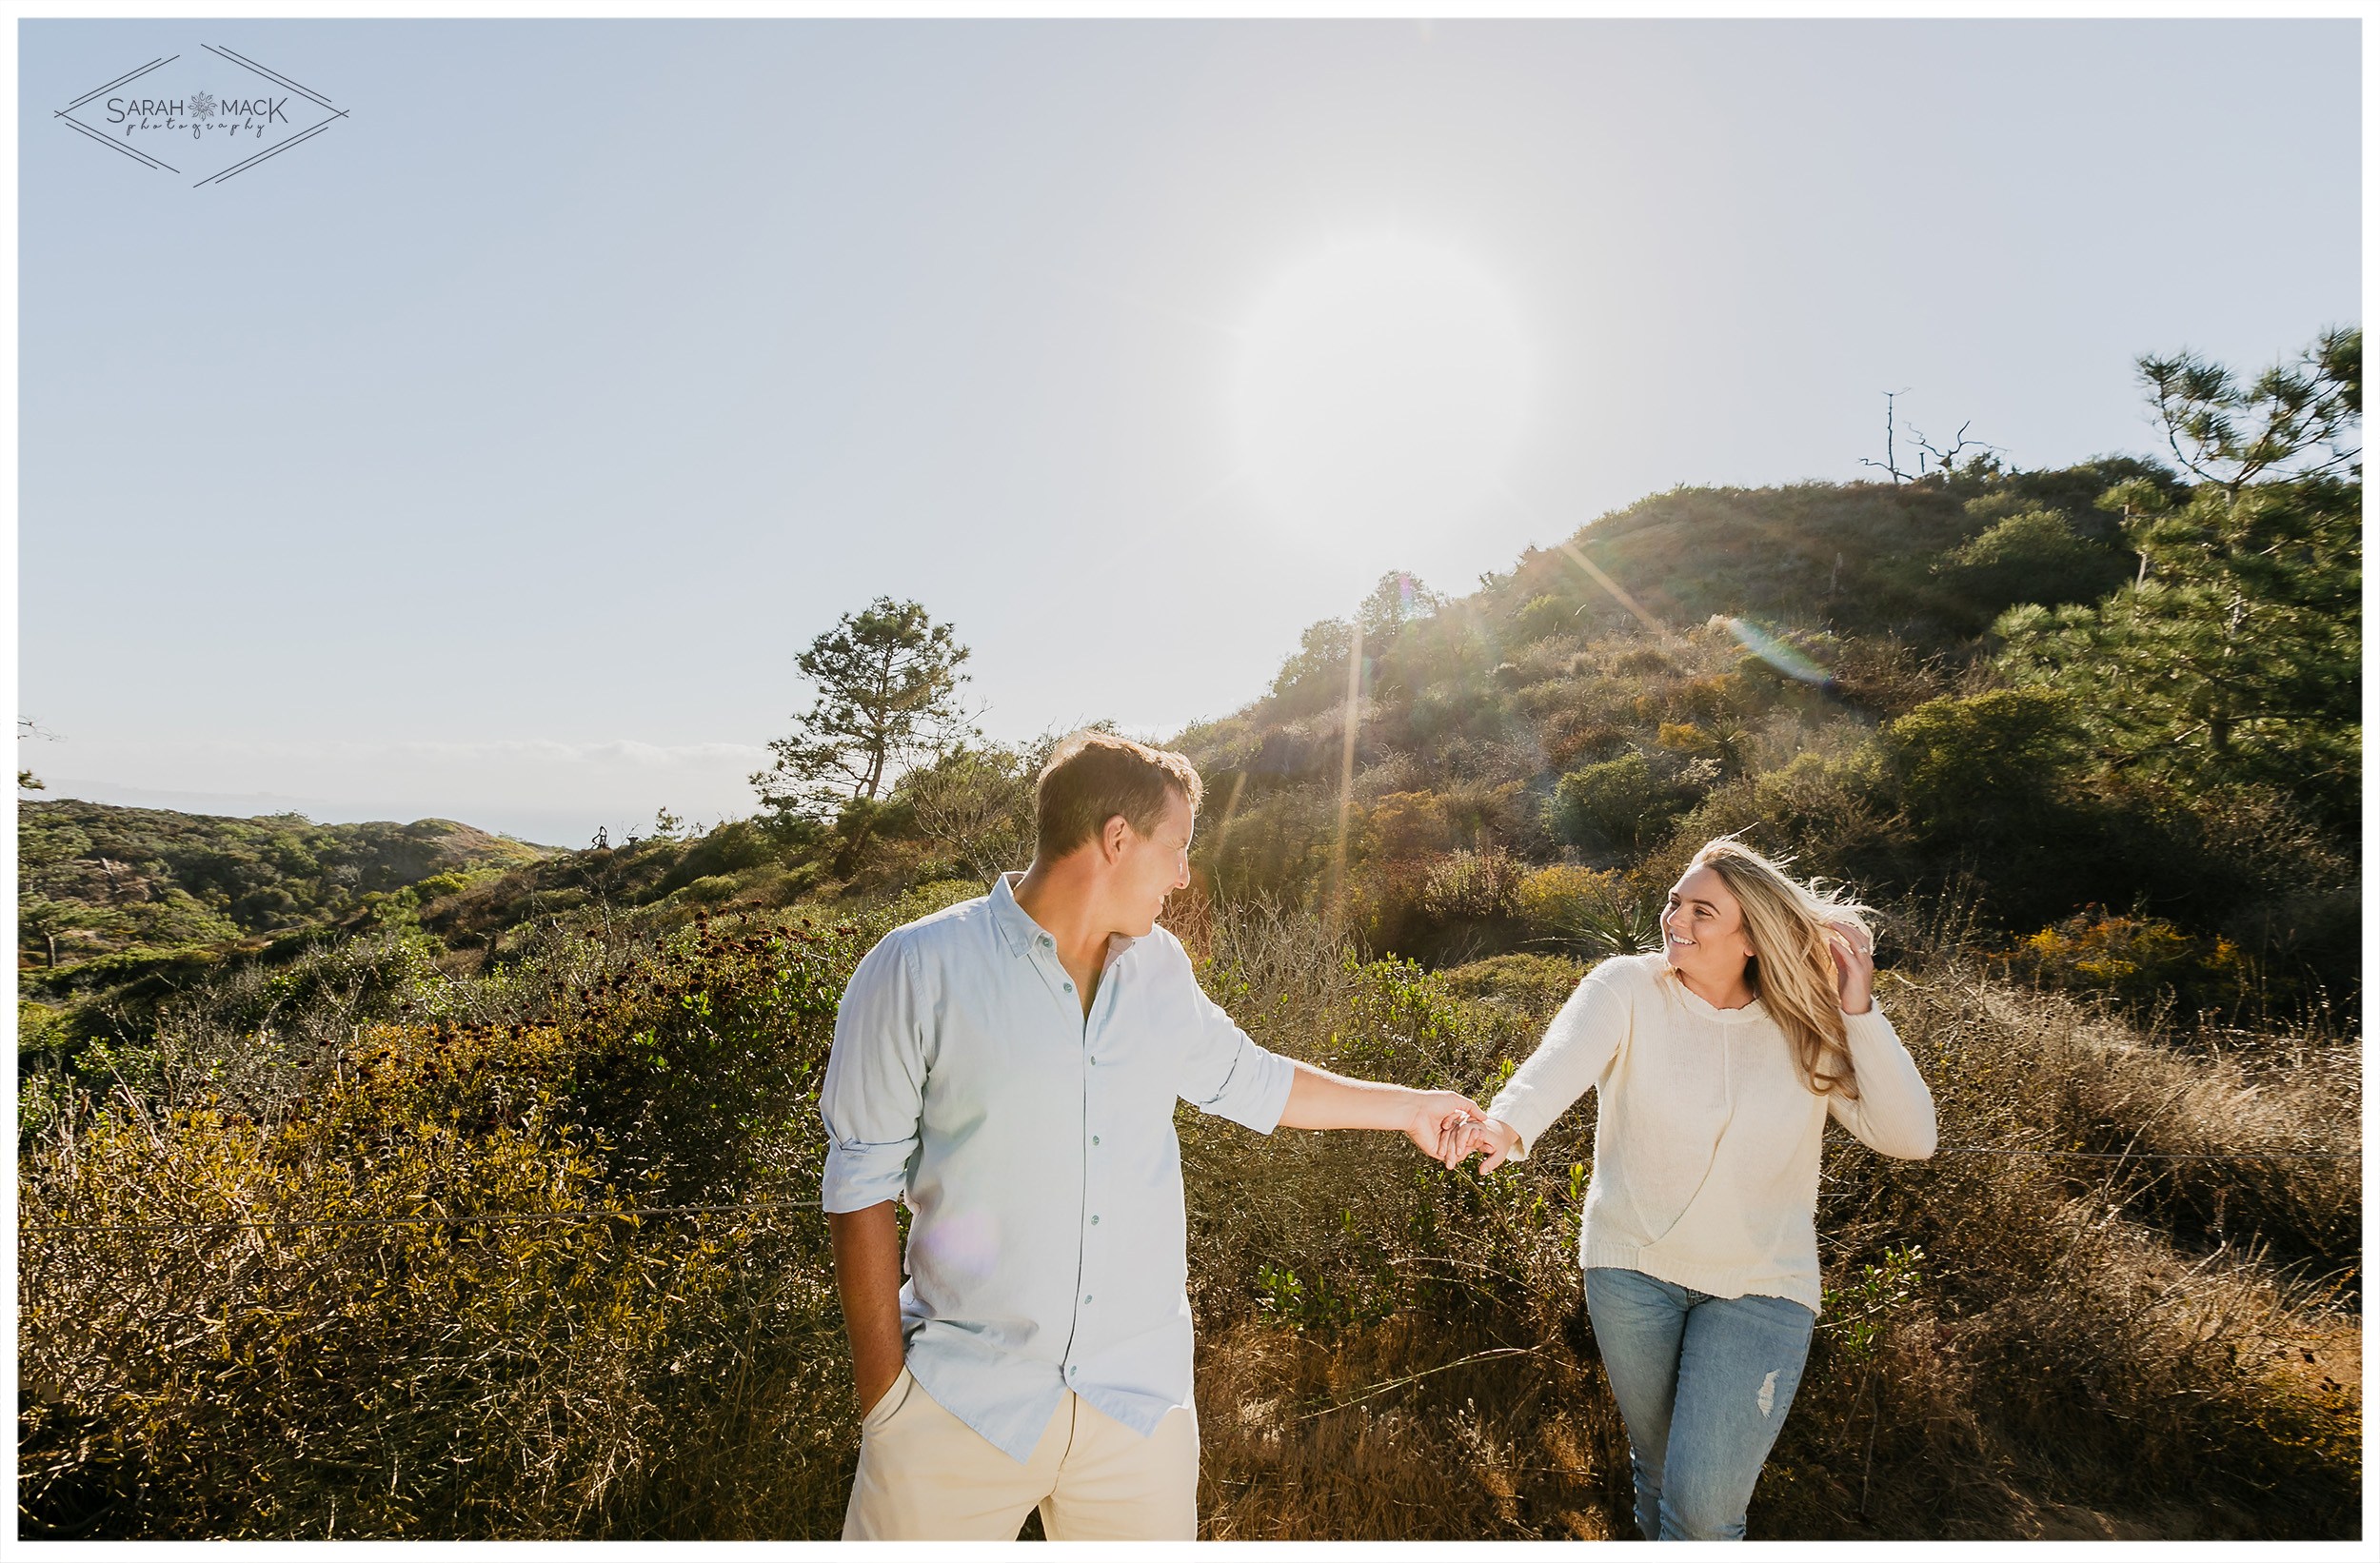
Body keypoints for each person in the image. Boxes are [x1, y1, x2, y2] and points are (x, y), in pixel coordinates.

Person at [819, 729, 1485, 1541]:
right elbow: (860, 1186)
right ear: (1116, 838)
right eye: (1177, 847)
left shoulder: (1160, 969)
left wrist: (1411, 1106)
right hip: (960, 1401)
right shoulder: (918, 966)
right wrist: (887, 1401)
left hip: (1136, 1408)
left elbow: (1254, 1079)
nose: (1183, 874)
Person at [1452, 837, 1937, 1541]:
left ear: (1751, 938)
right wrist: (1505, 1124)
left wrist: (1858, 1010)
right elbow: (1558, 1062)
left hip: (1763, 1287)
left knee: (1705, 1510)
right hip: (1631, 1274)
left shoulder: (1806, 1025)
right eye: (1675, 901)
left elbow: (1911, 1136)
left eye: (1702, 910)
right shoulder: (1626, 987)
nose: (1675, 917)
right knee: (1660, 1473)